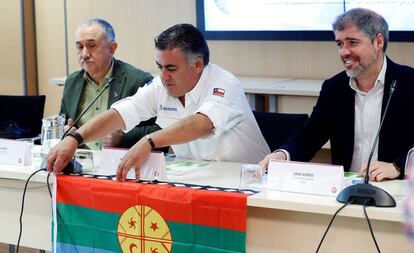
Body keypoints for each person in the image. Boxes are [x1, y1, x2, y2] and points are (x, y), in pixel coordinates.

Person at [47, 23, 270, 180]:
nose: (163, 76)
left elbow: (201, 123)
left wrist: (149, 141)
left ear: (198, 65)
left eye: (171, 68)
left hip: (249, 183)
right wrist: (75, 138)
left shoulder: (224, 83)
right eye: (160, 67)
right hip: (198, 181)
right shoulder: (161, 85)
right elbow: (122, 112)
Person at [261, 8, 414, 182]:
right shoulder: (334, 87)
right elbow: (311, 135)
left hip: (399, 189)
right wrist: (282, 155)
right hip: (345, 192)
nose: (344, 52)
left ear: (378, 42)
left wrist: (398, 166)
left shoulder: (409, 83)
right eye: (340, 44)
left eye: (353, 42)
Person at [60, 18, 161, 150]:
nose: (84, 54)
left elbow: (162, 129)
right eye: (80, 47)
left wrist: (123, 137)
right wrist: (66, 130)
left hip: (120, 160)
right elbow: (64, 121)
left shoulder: (138, 80)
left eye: (92, 46)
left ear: (112, 48)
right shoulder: (72, 82)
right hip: (81, 160)